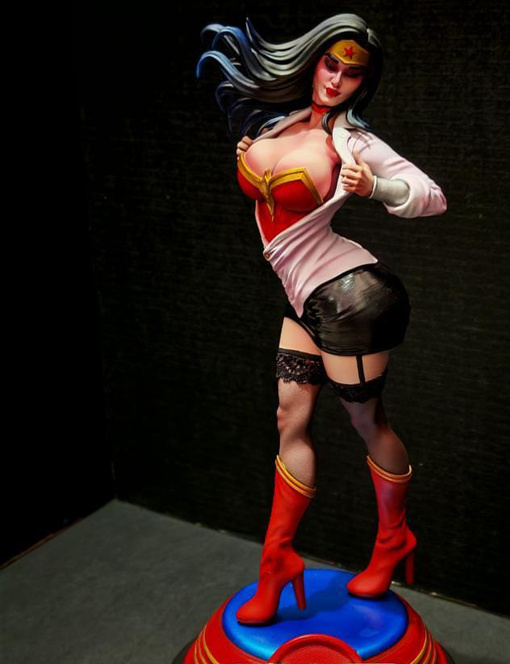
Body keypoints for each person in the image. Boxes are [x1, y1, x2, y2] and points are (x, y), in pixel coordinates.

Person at [197, 14, 447, 625]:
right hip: (305, 298)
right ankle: (277, 561)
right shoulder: (279, 124)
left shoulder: (353, 142)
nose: (336, 80)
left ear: (364, 83)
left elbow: (433, 196)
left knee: (365, 419)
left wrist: (376, 187)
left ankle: (393, 539)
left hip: (352, 296)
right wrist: (251, 155)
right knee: (290, 418)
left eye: (351, 74)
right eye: (330, 64)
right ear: (313, 60)